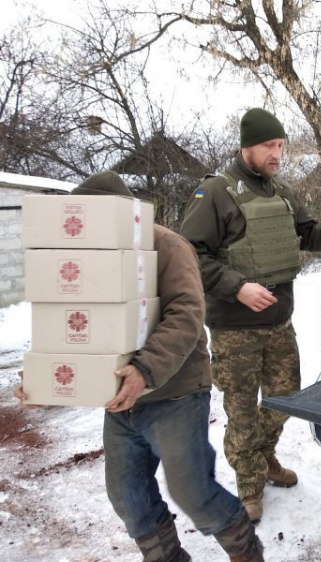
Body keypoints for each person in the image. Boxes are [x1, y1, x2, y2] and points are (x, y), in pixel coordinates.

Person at [15, 171, 264, 562]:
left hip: (175, 393)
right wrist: (43, 379)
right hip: (120, 401)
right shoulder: (81, 256)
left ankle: (245, 549)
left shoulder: (165, 245)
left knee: (192, 491)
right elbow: (73, 322)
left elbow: (187, 312)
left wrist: (145, 370)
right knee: (128, 498)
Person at [179, 108, 321, 522]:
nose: (277, 154)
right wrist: (237, 287)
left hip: (279, 323)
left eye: (281, 146)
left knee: (285, 400)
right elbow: (189, 252)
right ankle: (248, 488)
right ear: (248, 145)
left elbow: (307, 233)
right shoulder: (215, 193)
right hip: (236, 328)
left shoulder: (282, 192)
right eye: (270, 145)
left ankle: (263, 457)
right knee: (242, 410)